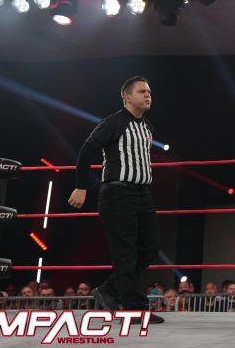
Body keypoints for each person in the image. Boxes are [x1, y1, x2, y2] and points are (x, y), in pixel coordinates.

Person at [67, 76, 163, 324]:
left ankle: (108, 289)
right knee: (125, 252)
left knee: (150, 247)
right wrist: (80, 187)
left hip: (142, 195)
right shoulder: (114, 122)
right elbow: (86, 151)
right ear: (127, 97)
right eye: (142, 91)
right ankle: (133, 309)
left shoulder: (147, 126)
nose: (148, 95)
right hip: (117, 194)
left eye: (149, 91)